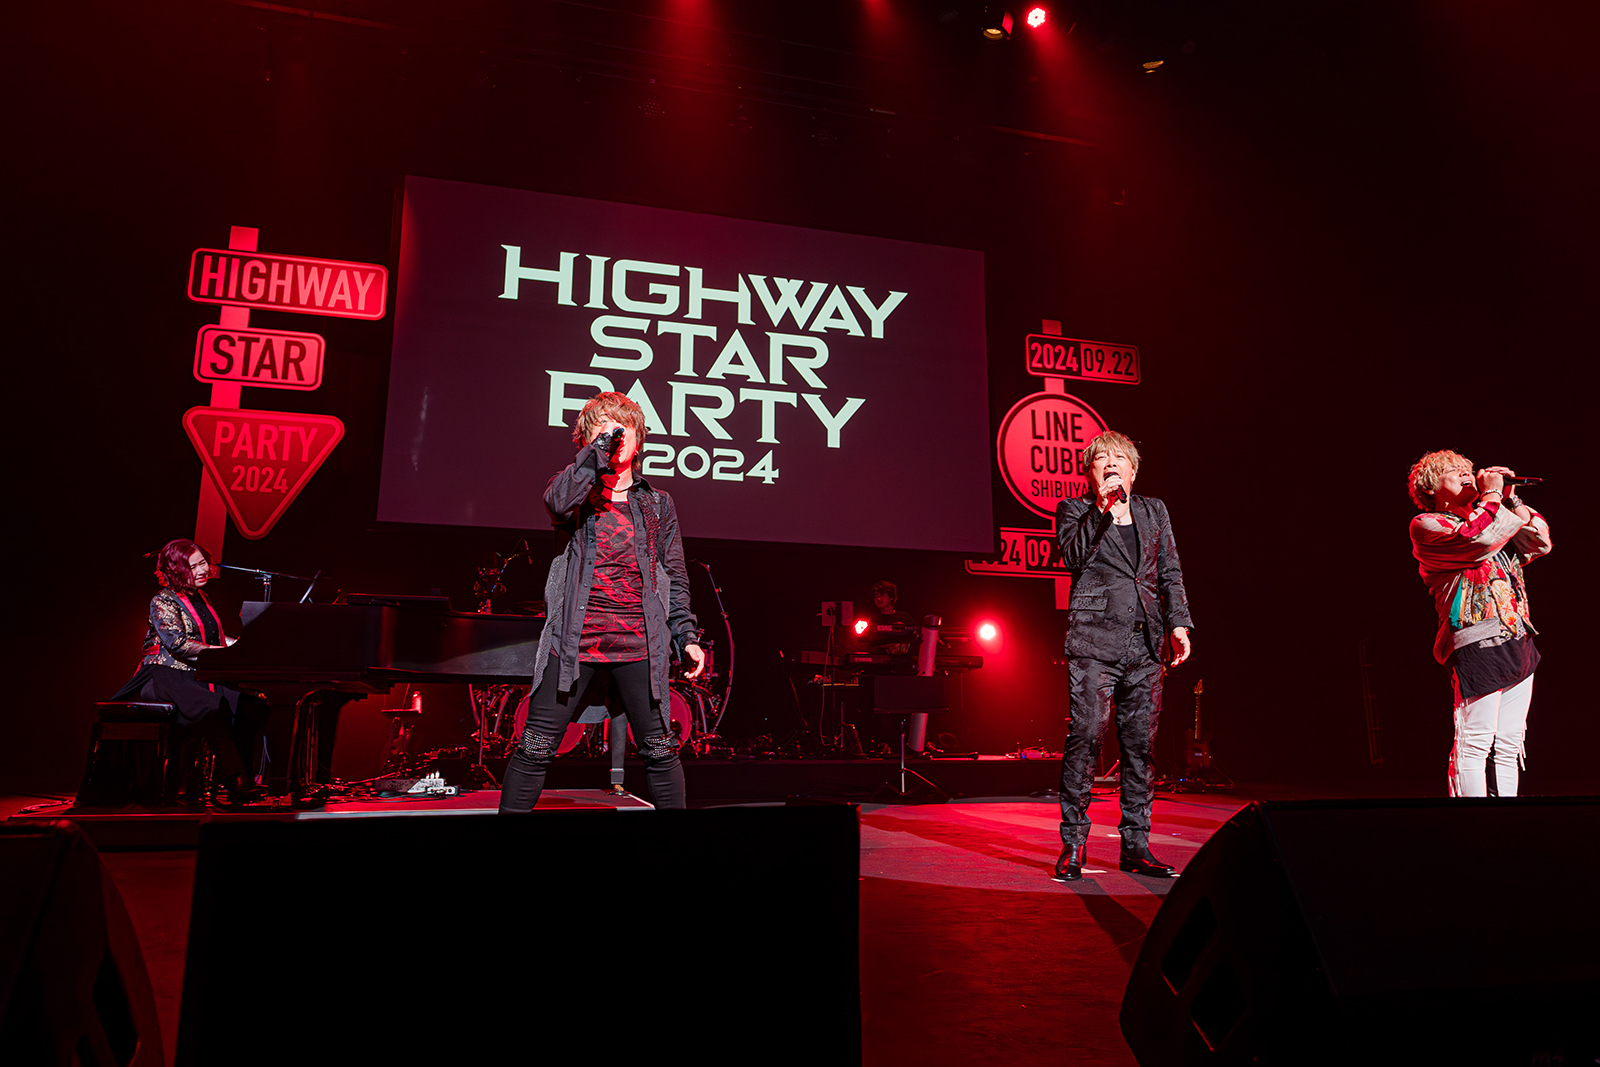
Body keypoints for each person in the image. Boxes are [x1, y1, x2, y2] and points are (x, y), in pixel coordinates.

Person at [499, 392, 705, 812]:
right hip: (575, 643)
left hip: (639, 645)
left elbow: (674, 575)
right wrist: (598, 451)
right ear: (587, 441)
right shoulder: (574, 493)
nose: (616, 437)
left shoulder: (657, 503)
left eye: (623, 429)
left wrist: (686, 636)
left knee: (660, 752)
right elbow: (557, 502)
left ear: (639, 439)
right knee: (535, 748)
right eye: (603, 431)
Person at [1052, 432, 1193, 882]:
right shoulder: (1074, 510)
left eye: (1119, 458)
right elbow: (1073, 556)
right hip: (1094, 643)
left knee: (1139, 748)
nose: (1111, 463)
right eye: (1102, 459)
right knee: (1086, 738)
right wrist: (1101, 508)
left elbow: (1169, 570)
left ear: (1133, 470)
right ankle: (1074, 844)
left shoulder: (1154, 511)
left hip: (1146, 644)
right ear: (1090, 472)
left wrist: (1178, 623)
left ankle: (1135, 845)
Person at [1407, 451, 1551, 797]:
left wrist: (1510, 499)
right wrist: (1492, 495)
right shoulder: (1427, 525)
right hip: (1477, 642)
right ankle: (1472, 818)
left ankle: (1506, 817)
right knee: (1476, 740)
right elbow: (1477, 540)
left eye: (1468, 470)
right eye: (1453, 471)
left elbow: (1539, 543)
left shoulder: (1494, 516)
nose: (1466, 474)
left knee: (1509, 743)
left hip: (1517, 638)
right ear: (1431, 488)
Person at [110, 539, 270, 807]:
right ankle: (236, 781)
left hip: (197, 675)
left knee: (252, 707)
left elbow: (215, 640)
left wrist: (244, 647)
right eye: (193, 567)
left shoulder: (202, 598)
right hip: (164, 674)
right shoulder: (162, 600)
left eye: (203, 563)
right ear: (176, 571)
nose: (203, 570)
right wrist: (225, 652)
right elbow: (177, 644)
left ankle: (236, 777)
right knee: (212, 707)